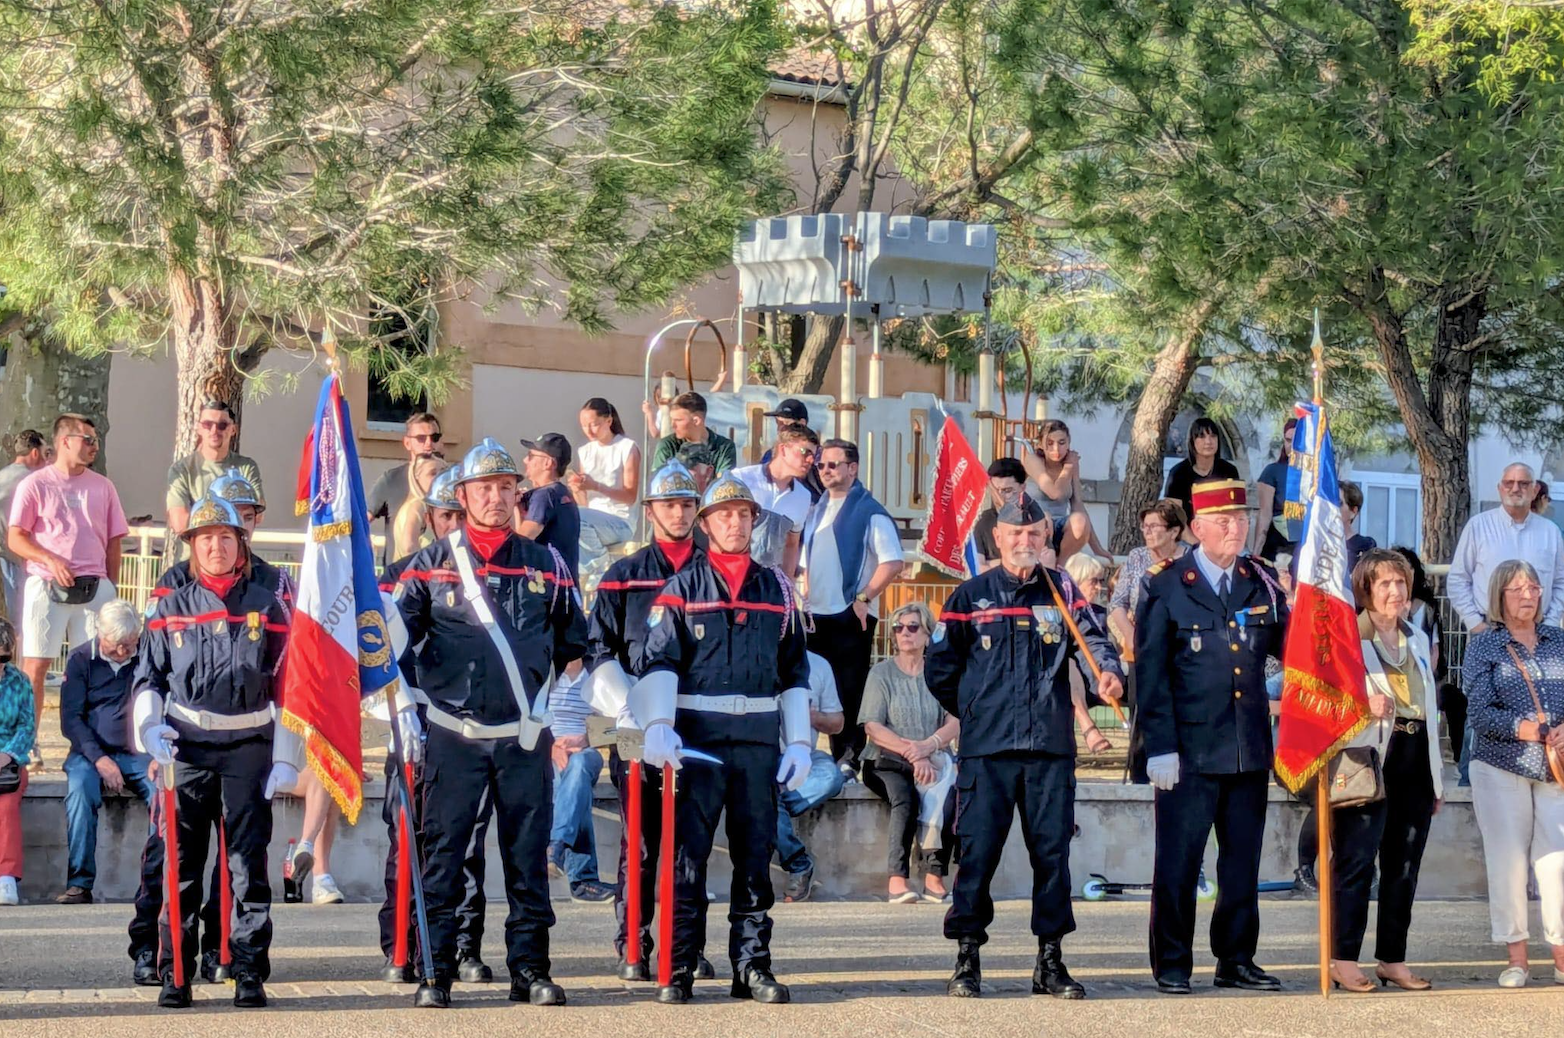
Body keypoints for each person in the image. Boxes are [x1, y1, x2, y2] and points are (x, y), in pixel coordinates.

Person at [392, 437, 588, 1009]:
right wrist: (404, 705)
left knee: (527, 857)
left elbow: (572, 645)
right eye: (485, 489)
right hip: (453, 734)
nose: (498, 498)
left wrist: (558, 711)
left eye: (507, 488)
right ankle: (437, 970)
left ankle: (530, 969)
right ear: (463, 496)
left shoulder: (546, 565)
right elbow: (389, 647)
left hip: (524, 737)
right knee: (445, 856)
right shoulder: (428, 567)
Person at [926, 494, 1125, 1000]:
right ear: (999, 537)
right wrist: (975, 708)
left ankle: (1050, 962)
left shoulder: (1061, 590)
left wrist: (1108, 674)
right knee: (977, 856)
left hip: (1048, 748)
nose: (1025, 541)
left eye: (1035, 533)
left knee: (1052, 857)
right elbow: (941, 670)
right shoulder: (970, 596)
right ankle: (967, 958)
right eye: (1016, 533)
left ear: (1046, 539)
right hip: (987, 751)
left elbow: (1095, 641)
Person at [631, 473, 814, 1005]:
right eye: (725, 515)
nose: (736, 523)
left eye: (744, 514)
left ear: (755, 521)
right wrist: (658, 724)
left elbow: (794, 668)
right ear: (706, 524)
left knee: (754, 859)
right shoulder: (681, 589)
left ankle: (751, 966)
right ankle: (680, 964)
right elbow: (659, 660)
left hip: (757, 744)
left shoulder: (775, 589)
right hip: (698, 744)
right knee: (687, 861)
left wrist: (799, 740)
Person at [131, 492, 296, 1009]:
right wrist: (148, 727)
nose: (217, 547)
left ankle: (248, 971)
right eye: (206, 539)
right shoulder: (167, 609)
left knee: (248, 865)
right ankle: (174, 971)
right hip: (187, 751)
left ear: (241, 545)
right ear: (192, 547)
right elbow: (148, 679)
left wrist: (288, 754)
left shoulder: (268, 607)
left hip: (249, 747)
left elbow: (289, 686)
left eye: (226, 537)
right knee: (180, 865)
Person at [1136, 479, 1288, 995]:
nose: (1236, 528)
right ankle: (1174, 962)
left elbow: (1294, 648)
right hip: (1190, 752)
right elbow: (1150, 676)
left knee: (1241, 865)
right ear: (1197, 528)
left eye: (1242, 520)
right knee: (1179, 864)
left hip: (1247, 748)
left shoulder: (1261, 582)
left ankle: (1236, 959)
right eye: (1224, 521)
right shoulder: (1166, 585)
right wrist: (1159, 746)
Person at [581, 460, 716, 983]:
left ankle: (685, 947)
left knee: (692, 847)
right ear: (651, 510)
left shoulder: (715, 572)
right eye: (669, 504)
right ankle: (633, 944)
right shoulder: (623, 575)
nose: (678, 513)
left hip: (697, 727)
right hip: (633, 724)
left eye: (686, 504)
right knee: (638, 843)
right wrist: (624, 710)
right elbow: (598, 651)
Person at [376, 467, 495, 985]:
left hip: (464, 722)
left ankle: (462, 944)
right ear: (431, 518)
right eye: (444, 515)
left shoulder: (488, 573)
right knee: (405, 836)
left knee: (466, 841)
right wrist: (396, 710)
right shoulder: (401, 575)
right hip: (411, 714)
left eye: (457, 515)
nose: (452, 524)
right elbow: (378, 657)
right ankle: (400, 942)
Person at [1327, 549, 1443, 992]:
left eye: (1402, 582)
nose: (1396, 591)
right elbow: (1320, 702)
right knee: (1356, 862)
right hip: (1367, 757)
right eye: (1386, 584)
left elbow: (1430, 711)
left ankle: (1392, 958)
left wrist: (1436, 777)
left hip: (1415, 759)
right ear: (1366, 590)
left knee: (1404, 865)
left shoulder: (1416, 635)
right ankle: (1343, 957)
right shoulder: (1346, 638)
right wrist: (1361, 705)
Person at [1462, 560, 1564, 988]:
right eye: (1519, 588)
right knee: (1508, 863)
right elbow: (1480, 712)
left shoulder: (1559, 640)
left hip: (1555, 768)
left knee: (1557, 863)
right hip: (1501, 764)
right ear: (1500, 595)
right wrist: (1536, 731)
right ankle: (1517, 958)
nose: (1529, 595)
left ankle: (1561, 957)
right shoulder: (1484, 644)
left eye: (1535, 587)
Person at [8, 413, 127, 755]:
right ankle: (26, 744)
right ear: (65, 441)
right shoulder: (36, 484)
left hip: (94, 586)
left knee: (95, 665)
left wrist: (111, 587)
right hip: (46, 585)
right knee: (36, 664)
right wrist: (49, 559)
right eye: (87, 440)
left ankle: (90, 741)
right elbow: (16, 538)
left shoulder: (103, 486)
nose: (93, 447)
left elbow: (114, 541)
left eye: (96, 441)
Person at [1446, 462, 1564, 783]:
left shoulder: (1550, 533)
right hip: (1490, 631)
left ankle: (1538, 771)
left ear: (1535, 490)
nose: (1516, 488)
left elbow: (1560, 583)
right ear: (1499, 488)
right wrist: (1477, 624)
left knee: (1540, 704)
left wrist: (1548, 626)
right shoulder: (1479, 526)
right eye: (1509, 482)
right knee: (1483, 709)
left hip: (1540, 636)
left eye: (1523, 483)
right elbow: (1458, 580)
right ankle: (1471, 780)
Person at [799, 438, 904, 772]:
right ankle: (815, 755)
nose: (826, 471)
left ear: (853, 468)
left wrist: (864, 598)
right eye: (821, 466)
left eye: (833, 465)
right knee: (814, 685)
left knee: (849, 687)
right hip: (815, 615)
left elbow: (892, 561)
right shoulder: (815, 509)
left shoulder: (870, 511)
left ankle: (849, 758)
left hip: (849, 614)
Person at [860, 602, 959, 903]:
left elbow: (955, 720)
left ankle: (934, 877)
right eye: (899, 628)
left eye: (913, 627)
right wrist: (914, 753)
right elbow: (873, 727)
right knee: (906, 797)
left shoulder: (939, 674)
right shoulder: (881, 674)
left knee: (949, 796)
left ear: (928, 634)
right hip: (886, 760)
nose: (905, 633)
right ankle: (897, 880)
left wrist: (928, 747)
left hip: (933, 756)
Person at [58, 600, 153, 906]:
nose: (125, 652)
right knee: (79, 791)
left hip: (137, 753)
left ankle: (155, 882)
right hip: (89, 753)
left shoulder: (146, 656)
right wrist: (100, 759)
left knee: (164, 793)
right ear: (101, 634)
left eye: (130, 644)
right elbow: (71, 719)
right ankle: (79, 883)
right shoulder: (80, 659)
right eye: (118, 646)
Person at [1106, 500, 1190, 770]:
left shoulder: (1190, 558)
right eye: (1145, 526)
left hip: (1181, 651)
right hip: (1141, 649)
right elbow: (1117, 603)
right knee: (1144, 714)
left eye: (1154, 526)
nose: (1147, 531)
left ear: (1174, 531)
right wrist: (1131, 637)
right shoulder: (1137, 557)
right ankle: (1140, 773)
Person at [773, 651, 847, 904]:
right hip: (761, 756)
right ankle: (798, 863)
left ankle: (775, 804)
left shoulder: (818, 664)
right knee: (762, 796)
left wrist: (810, 716)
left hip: (805, 755)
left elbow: (837, 722)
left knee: (831, 778)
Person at [545, 664, 615, 903]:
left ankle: (556, 848)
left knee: (579, 766)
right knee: (576, 785)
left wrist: (585, 738)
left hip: (588, 751)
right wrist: (551, 747)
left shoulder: (597, 676)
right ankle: (582, 879)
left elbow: (617, 723)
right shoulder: (546, 671)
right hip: (547, 751)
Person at [165, 401, 265, 536]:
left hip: (234, 553)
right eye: (207, 424)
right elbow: (179, 523)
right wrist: (230, 518)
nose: (214, 431)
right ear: (198, 428)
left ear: (233, 430)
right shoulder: (181, 470)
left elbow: (257, 515)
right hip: (192, 554)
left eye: (222, 425)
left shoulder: (246, 467)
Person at [731, 426, 818, 574]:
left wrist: (788, 584)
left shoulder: (803, 496)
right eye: (805, 452)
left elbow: (792, 544)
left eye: (814, 455)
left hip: (770, 585)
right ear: (783, 449)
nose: (810, 460)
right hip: (734, 575)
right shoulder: (742, 479)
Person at [1015, 421, 1109, 559]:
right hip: (1034, 523)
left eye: (1061, 442)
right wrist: (1068, 468)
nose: (1056, 449)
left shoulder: (1071, 464)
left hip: (1060, 524)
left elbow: (1077, 504)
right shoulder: (1033, 460)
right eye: (1050, 443)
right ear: (1041, 444)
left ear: (1069, 443)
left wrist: (1097, 548)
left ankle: (1060, 565)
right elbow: (1054, 493)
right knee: (1046, 517)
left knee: (1080, 520)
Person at [367, 412, 445, 566]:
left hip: (441, 576)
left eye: (434, 437)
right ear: (408, 443)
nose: (429, 443)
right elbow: (363, 522)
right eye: (421, 438)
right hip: (399, 576)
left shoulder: (452, 480)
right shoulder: (391, 479)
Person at [1063, 553, 1115, 755]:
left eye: (1101, 581)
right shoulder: (1062, 612)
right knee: (1068, 667)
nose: (1099, 587)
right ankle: (1088, 728)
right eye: (1094, 581)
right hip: (1075, 679)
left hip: (1105, 677)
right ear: (1077, 580)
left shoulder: (1101, 613)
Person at [0, 619, 35, 907]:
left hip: (8, 760)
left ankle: (6, 877)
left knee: (7, 805)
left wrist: (8, 755)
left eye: (4, 657)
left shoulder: (20, 681)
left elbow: (26, 727)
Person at [517, 432, 581, 585]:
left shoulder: (545, 495)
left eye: (531, 456)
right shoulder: (562, 493)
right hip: (566, 587)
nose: (525, 460)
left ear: (548, 464)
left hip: (548, 590)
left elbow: (522, 540)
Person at [0, 430, 48, 634]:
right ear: (35, 453)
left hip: (6, 552)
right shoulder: (37, 481)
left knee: (17, 614)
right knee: (29, 614)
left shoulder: (2, 476)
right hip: (33, 555)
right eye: (46, 453)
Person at [1162, 418, 1240, 540]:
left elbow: (1235, 511)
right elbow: (1174, 517)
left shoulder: (1229, 471)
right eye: (1202, 436)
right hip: (1186, 538)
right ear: (1193, 441)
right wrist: (1197, 544)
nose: (1208, 441)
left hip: (1222, 538)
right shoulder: (1178, 473)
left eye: (1213, 436)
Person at [569, 398, 641, 523]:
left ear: (609, 421)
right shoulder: (585, 451)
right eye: (584, 426)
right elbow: (584, 502)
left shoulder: (627, 447)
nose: (589, 431)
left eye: (594, 425)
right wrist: (577, 490)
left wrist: (597, 486)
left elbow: (630, 497)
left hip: (620, 518)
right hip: (591, 516)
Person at [648, 391, 737, 474]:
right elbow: (659, 482)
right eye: (671, 420)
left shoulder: (724, 447)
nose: (673, 425)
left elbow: (724, 484)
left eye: (678, 420)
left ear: (696, 421)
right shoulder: (667, 445)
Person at [1249, 416, 1299, 561]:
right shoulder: (1273, 471)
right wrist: (1256, 553)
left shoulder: (1318, 475)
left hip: (1307, 547)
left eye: (1296, 441)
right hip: (1277, 547)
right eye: (1288, 440)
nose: (1292, 445)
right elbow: (1265, 514)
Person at [757, 398, 824, 500]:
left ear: (802, 423)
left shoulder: (820, 457)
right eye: (778, 422)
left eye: (786, 422)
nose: (780, 427)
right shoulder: (769, 454)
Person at [391, 454, 449, 559]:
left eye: (443, 471)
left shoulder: (414, 504)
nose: (440, 477)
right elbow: (408, 546)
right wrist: (423, 568)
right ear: (416, 477)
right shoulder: (418, 506)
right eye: (433, 473)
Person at [973, 458, 1026, 572]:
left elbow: (1042, 563)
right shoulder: (981, 521)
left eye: (1007, 490)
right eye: (996, 490)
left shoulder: (1034, 518)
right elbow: (978, 567)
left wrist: (992, 563)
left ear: (1022, 488)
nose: (1001, 496)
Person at [1339, 481, 1376, 574]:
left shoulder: (1365, 547)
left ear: (1353, 512)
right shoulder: (1313, 542)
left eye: (1339, 503)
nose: (1332, 507)